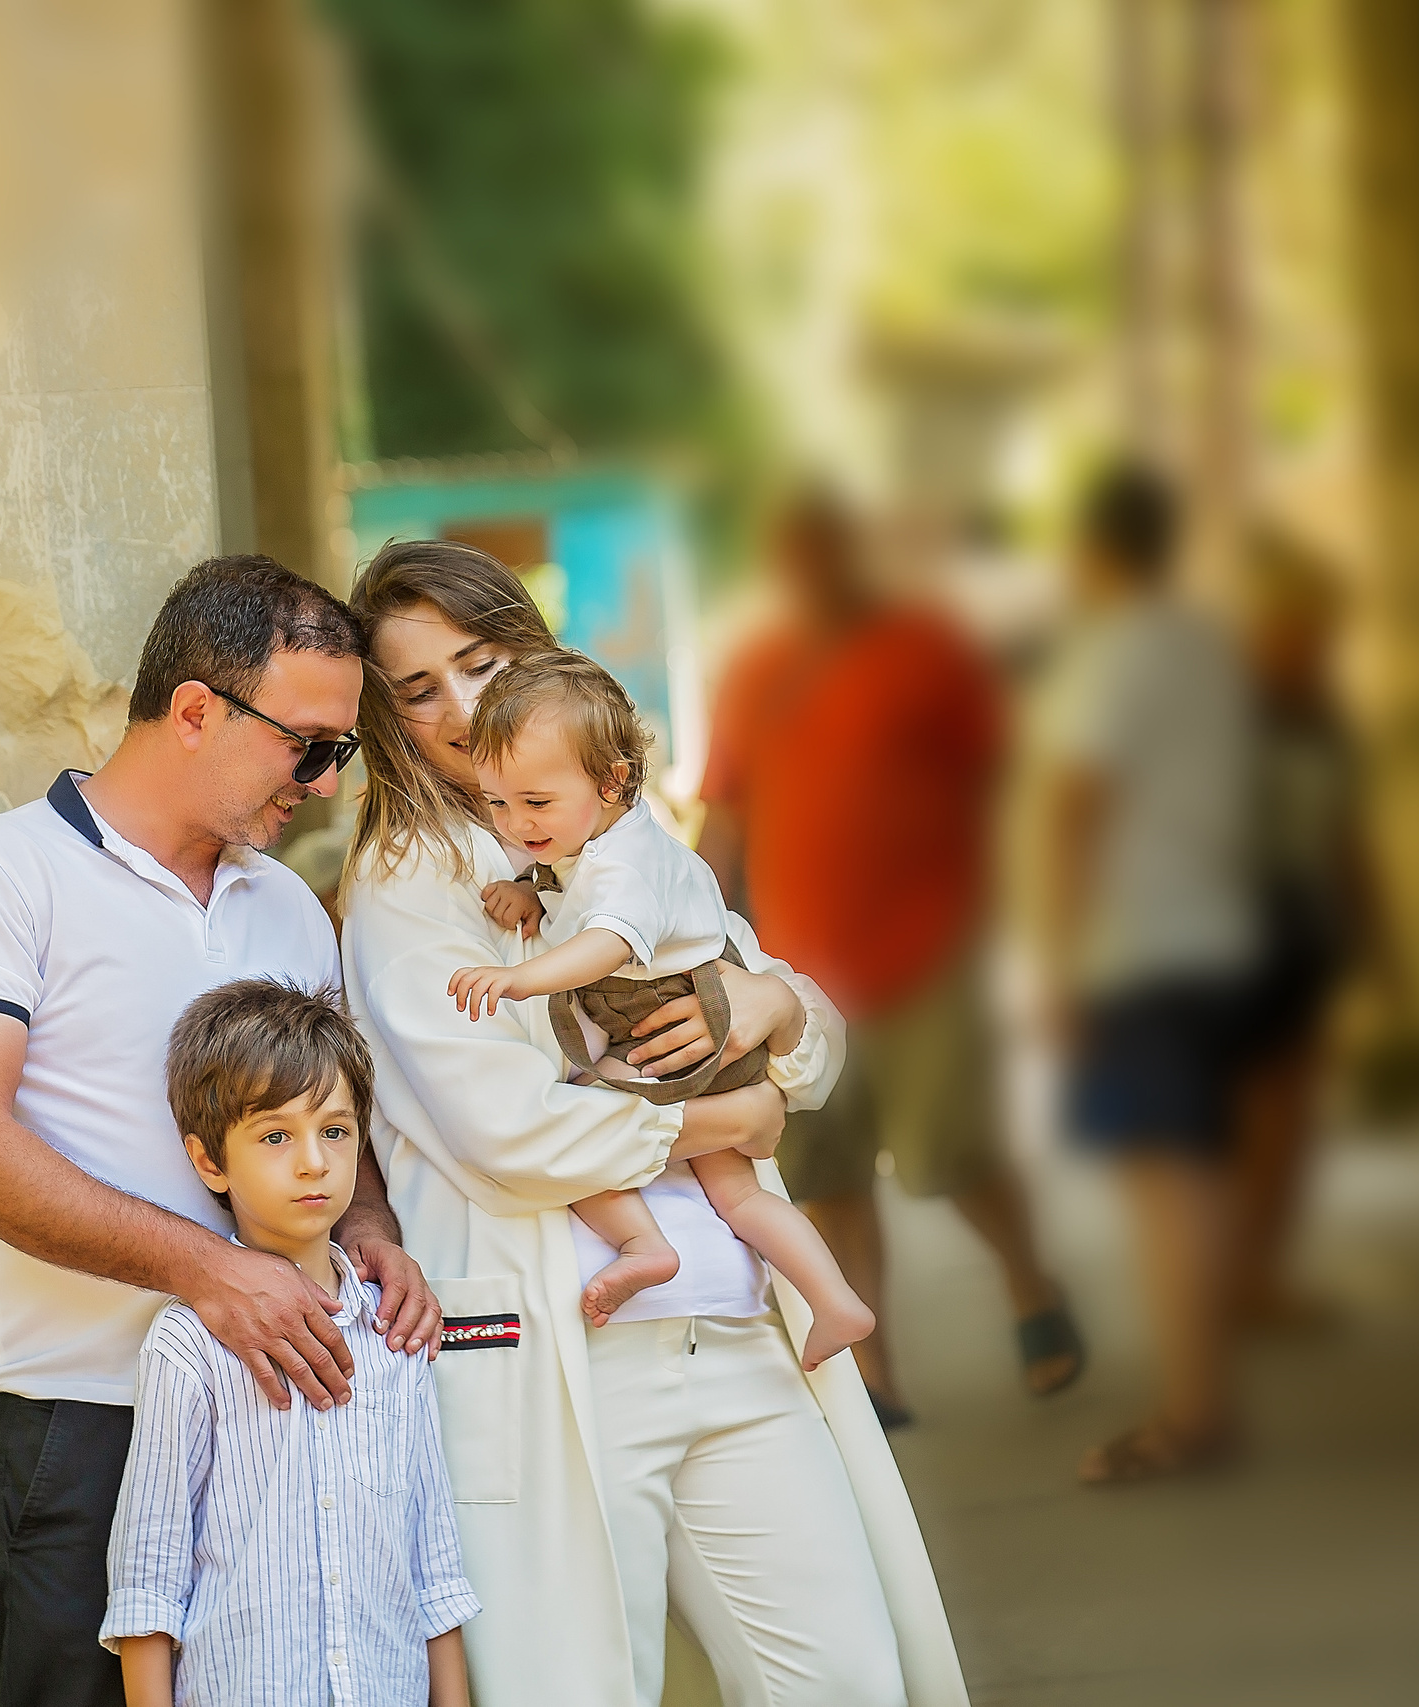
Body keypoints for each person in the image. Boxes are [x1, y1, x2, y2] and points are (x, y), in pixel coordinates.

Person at [337, 538, 965, 1707]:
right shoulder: (409, 880)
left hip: (733, 1336)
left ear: (534, 653)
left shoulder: (614, 831)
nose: (462, 705)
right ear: (385, 717)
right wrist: (737, 1112)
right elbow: (508, 1134)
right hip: (567, 1356)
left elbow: (791, 1013)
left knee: (845, 1683)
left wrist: (774, 1011)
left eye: (482, 661)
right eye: (418, 688)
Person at [0, 556, 439, 1707]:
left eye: (338, 752)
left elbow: (336, 1120)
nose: (327, 785)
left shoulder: (289, 905)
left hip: (286, 1430)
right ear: (196, 710)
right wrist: (211, 1272)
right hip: (80, 1428)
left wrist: (375, 1227)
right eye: (311, 746)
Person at [700, 489, 1080, 1423]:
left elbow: (999, 790)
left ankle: (1033, 1284)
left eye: (826, 550)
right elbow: (727, 811)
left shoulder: (927, 652)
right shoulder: (758, 669)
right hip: (798, 969)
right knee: (827, 1169)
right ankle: (876, 1373)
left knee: (952, 1153)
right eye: (793, 556)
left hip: (925, 953)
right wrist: (704, 936)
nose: (811, 572)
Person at [446, 649, 874, 1368]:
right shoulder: (600, 837)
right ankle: (836, 1300)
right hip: (704, 1029)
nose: (516, 824)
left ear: (613, 781)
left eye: (535, 803)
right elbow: (565, 881)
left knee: (577, 1127)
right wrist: (531, 889)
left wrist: (520, 978)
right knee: (739, 1196)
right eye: (497, 804)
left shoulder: (630, 864)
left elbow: (605, 944)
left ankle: (645, 1245)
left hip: (674, 1022)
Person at [103, 979, 477, 1707]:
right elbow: (149, 1580)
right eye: (276, 1135)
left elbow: (435, 1559)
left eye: (335, 1131)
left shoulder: (392, 1329)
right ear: (210, 1161)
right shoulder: (189, 1346)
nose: (314, 1161)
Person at [1037, 464, 1257, 1485]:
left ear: (1097, 550)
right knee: (1196, 1176)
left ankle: (1191, 1411)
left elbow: (1078, 805)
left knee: (1163, 1187)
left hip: (1136, 946)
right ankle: (1203, 1395)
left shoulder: (1112, 655)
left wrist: (1056, 960)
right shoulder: (1203, 646)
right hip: (1212, 935)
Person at [1229, 528, 1368, 1333]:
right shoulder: (1232, 715)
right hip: (1235, 930)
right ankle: (1237, 1275)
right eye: (1295, 626)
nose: (1309, 641)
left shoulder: (1323, 721)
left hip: (1302, 922)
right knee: (1248, 1117)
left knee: (1293, 1113)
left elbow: (1347, 836)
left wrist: (1381, 942)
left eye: (1319, 628)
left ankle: (1262, 1272)